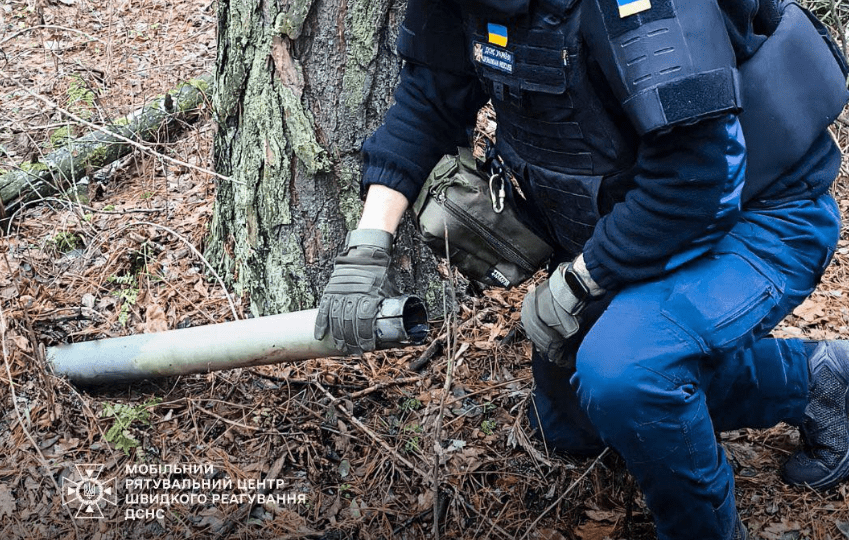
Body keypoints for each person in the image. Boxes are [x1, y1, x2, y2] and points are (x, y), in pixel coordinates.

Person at [313, 0, 849, 538]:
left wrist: (579, 281)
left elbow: (700, 172)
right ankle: (814, 382)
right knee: (570, 421)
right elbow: (427, 102)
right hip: (634, 228)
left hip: (761, 216)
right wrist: (366, 248)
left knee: (625, 376)